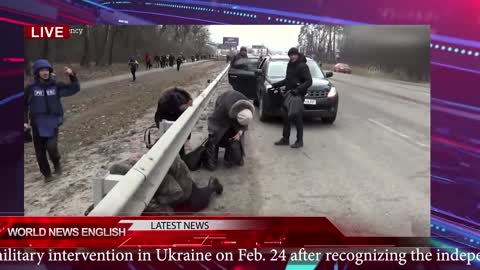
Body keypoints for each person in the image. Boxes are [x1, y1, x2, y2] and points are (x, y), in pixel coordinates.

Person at [24, 59, 80, 182]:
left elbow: (74, 89)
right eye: (42, 70)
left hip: (52, 122)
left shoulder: (56, 86)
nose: (45, 72)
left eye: (47, 70)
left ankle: (57, 163)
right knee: (40, 152)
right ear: (37, 72)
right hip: (37, 123)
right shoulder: (30, 88)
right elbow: (23, 105)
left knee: (52, 147)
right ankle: (47, 175)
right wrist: (24, 122)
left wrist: (72, 75)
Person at [107, 156, 223, 215]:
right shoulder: (123, 172)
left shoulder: (153, 176)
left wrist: (153, 202)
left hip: (185, 190)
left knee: (200, 201)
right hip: (175, 177)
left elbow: (176, 193)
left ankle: (212, 185)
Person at [271, 47, 312, 148]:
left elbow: (309, 81)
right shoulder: (290, 65)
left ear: (297, 55)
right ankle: (285, 139)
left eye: (294, 55)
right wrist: (276, 84)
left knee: (297, 118)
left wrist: (298, 90)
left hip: (297, 96)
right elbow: (288, 80)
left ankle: (299, 141)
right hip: (288, 95)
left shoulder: (303, 66)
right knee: (286, 117)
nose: (292, 57)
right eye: (290, 55)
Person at [204, 90, 254, 171]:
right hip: (223, 106)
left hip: (236, 110)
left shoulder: (247, 108)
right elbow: (213, 121)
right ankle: (213, 158)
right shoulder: (223, 106)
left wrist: (239, 133)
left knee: (236, 142)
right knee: (217, 134)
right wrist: (212, 133)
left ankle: (229, 158)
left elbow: (244, 124)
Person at [154, 87, 193, 156]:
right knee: (175, 141)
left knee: (177, 141)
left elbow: (186, 122)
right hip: (167, 119)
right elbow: (159, 119)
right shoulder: (168, 102)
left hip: (167, 120)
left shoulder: (179, 100)